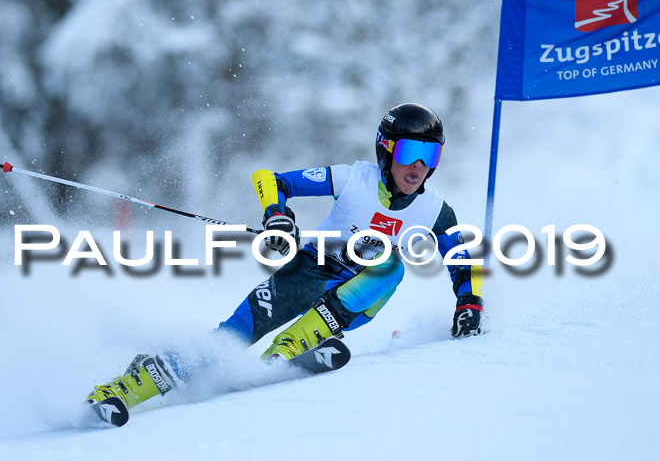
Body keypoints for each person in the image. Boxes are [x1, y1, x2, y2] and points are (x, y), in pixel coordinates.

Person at [86, 103, 485, 411]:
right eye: (411, 150)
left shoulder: (433, 209)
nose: (418, 165)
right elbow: (269, 178)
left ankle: (291, 347)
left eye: (430, 156)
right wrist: (278, 216)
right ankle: (125, 388)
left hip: (356, 292)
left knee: (391, 267)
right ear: (386, 148)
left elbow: (461, 255)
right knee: (232, 337)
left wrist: (470, 302)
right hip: (308, 270)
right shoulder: (352, 179)